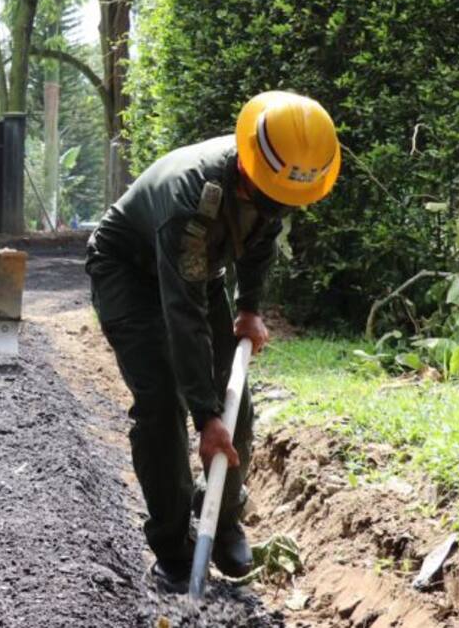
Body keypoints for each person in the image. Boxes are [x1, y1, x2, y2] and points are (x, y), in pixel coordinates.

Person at [85, 91, 340, 593]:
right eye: (269, 199)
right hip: (128, 271)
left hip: (197, 270)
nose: (277, 210)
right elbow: (184, 318)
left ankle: (221, 523)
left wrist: (249, 308)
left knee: (236, 404)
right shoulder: (192, 198)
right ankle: (173, 549)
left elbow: (260, 238)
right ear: (248, 169)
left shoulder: (279, 177)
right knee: (161, 404)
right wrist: (203, 419)